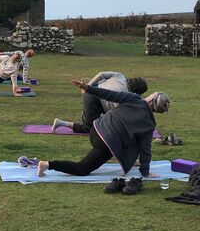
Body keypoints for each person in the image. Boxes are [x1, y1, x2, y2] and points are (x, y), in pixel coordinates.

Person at [37, 79, 170, 178]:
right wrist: (145, 172)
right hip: (107, 143)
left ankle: (46, 165)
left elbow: (109, 94)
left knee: (126, 137)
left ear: (151, 100)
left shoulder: (135, 99)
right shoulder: (149, 125)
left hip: (95, 129)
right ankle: (46, 165)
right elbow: (145, 150)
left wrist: (88, 88)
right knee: (82, 169)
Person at [52, 71, 148, 133]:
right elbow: (116, 114)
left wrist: (88, 86)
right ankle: (60, 123)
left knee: (100, 122)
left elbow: (101, 74)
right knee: (89, 128)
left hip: (92, 91)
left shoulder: (120, 76)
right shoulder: (125, 96)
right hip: (93, 99)